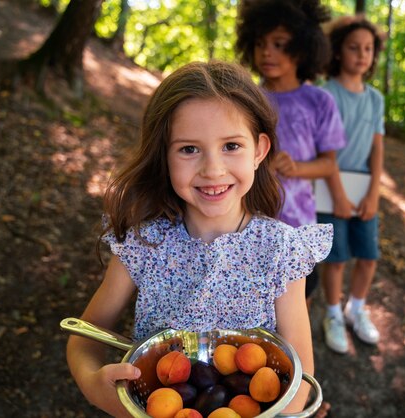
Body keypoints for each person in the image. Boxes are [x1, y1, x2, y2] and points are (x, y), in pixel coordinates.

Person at [65, 61, 332, 417]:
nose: (212, 169)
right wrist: (92, 384)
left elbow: (299, 380)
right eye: (189, 149)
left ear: (259, 150)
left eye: (231, 146)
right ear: (165, 156)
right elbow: (86, 336)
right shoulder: (145, 244)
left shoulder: (281, 251)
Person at [236, 0, 346, 306]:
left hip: (297, 225)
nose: (267, 52)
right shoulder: (245, 98)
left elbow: (328, 165)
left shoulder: (319, 101)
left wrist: (296, 167)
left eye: (279, 44)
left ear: (302, 48)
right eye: (259, 43)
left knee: (297, 302)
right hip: (246, 221)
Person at [318, 16, 385, 354]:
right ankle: (331, 314)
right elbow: (325, 151)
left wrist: (374, 192)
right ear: (338, 52)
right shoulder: (326, 94)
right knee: (337, 258)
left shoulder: (375, 100)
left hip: (364, 190)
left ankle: (355, 309)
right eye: (354, 47)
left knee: (368, 256)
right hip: (330, 190)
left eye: (368, 49)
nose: (361, 54)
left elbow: (377, 148)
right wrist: (339, 195)